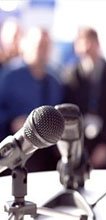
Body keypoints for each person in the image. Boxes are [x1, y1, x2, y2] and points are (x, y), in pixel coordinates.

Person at [0, 26, 64, 174]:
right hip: (14, 155)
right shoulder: (8, 76)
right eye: (39, 45)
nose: (43, 50)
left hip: (45, 158)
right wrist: (12, 121)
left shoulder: (55, 81)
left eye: (47, 46)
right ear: (26, 45)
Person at [62, 26, 106, 169]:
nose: (86, 47)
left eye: (90, 42)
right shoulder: (71, 75)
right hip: (81, 141)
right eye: (82, 42)